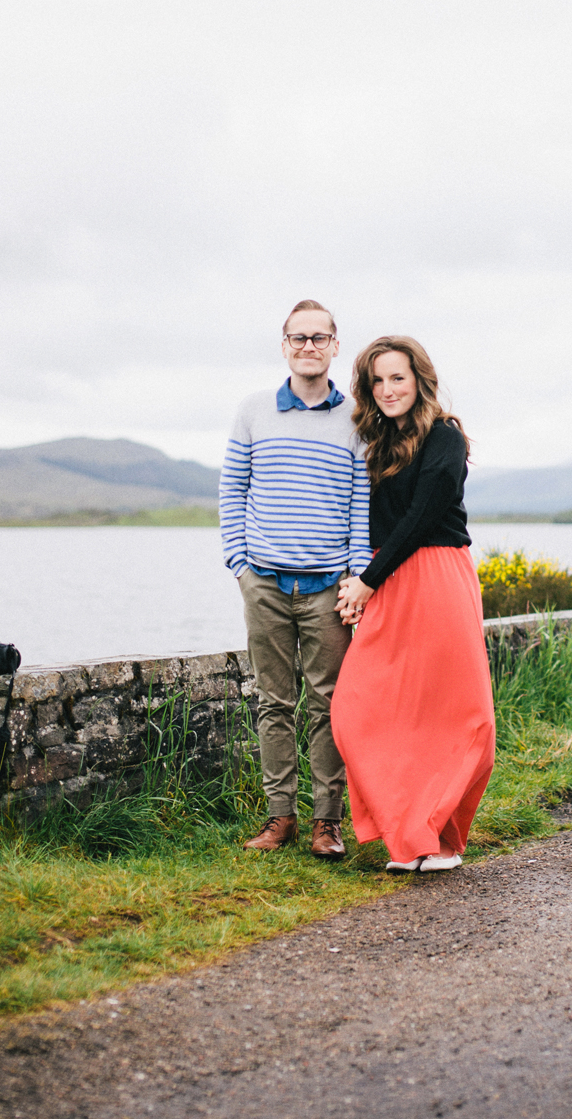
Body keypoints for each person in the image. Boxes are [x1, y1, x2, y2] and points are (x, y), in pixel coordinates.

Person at [331, 336, 496, 873]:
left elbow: (425, 514)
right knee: (361, 706)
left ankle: (441, 841)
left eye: (397, 377)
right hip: (389, 577)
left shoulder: (444, 437)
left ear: (419, 380)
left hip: (436, 575)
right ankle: (409, 828)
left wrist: (367, 581)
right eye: (377, 380)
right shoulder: (376, 442)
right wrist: (358, 575)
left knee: (449, 709)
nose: (387, 389)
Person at [219, 300, 371, 858]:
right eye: (298, 338)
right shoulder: (254, 411)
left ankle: (326, 823)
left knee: (329, 705)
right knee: (273, 703)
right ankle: (279, 817)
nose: (309, 347)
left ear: (335, 345)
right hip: (264, 580)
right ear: (284, 345)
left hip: (328, 586)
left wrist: (356, 575)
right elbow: (232, 490)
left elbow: (361, 504)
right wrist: (239, 563)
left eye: (320, 338)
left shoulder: (356, 418)